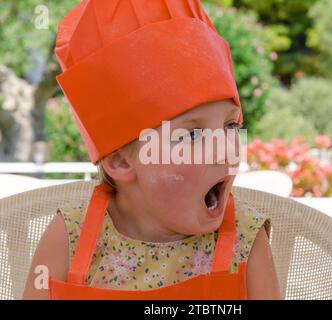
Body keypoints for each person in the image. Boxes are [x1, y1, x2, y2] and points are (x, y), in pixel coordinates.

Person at [23, 0, 281, 300]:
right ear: (120, 160)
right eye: (193, 134)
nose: (224, 147)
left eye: (230, 126)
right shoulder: (69, 237)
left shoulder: (246, 241)